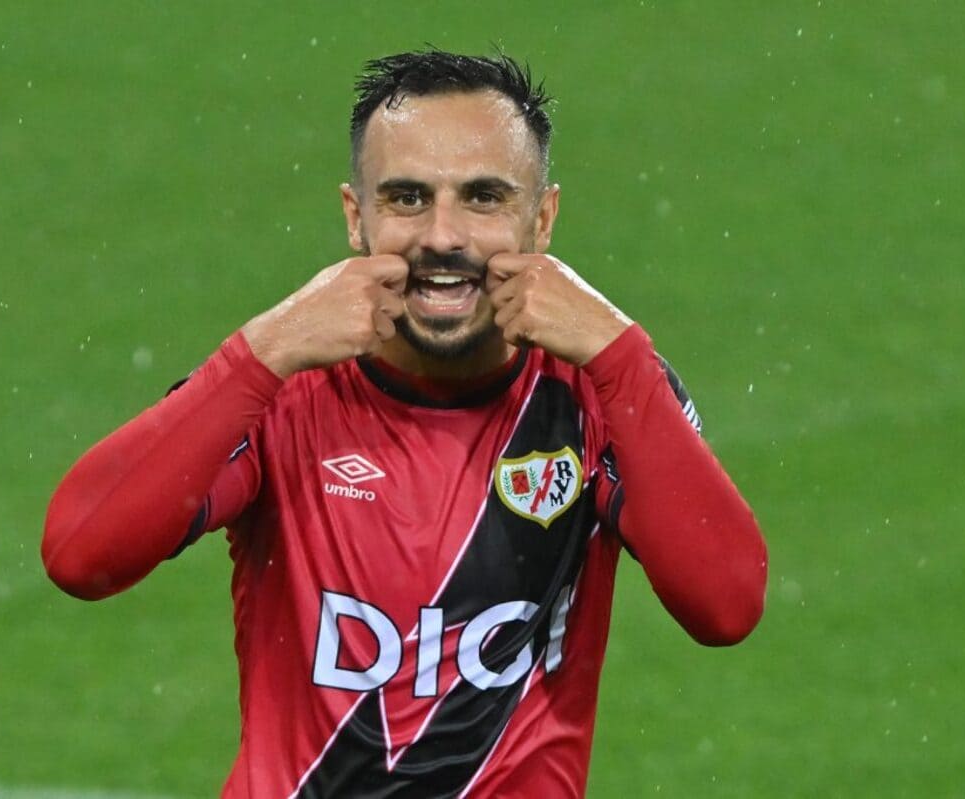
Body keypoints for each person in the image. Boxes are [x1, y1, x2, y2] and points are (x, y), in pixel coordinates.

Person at [43, 49, 767, 798]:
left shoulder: (601, 391)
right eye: (408, 198)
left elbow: (726, 603)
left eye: (484, 198)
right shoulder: (282, 383)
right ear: (357, 217)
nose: (443, 237)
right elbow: (80, 551)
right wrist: (261, 351)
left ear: (541, 219)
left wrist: (621, 356)